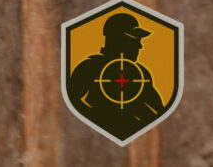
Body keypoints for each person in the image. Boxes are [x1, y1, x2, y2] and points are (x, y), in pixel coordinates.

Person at [66, 12, 165, 141]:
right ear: (116, 38)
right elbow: (71, 104)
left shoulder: (140, 73)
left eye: (139, 40)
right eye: (134, 39)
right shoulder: (90, 67)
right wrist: (104, 119)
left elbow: (159, 111)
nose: (140, 46)